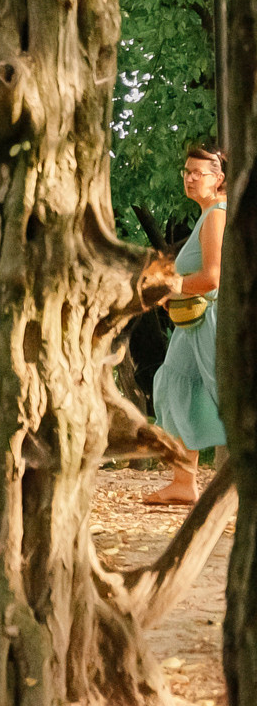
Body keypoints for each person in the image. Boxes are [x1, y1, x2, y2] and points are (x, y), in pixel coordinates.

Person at [148, 139, 228, 506]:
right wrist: (173, 295)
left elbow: (213, 278)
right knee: (173, 385)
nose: (190, 178)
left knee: (226, 394)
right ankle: (184, 481)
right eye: (187, 172)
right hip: (191, 324)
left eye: (199, 173)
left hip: (210, 321)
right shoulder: (207, 214)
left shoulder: (216, 215)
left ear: (218, 179)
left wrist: (173, 285)